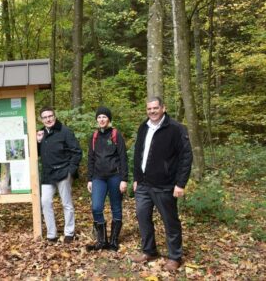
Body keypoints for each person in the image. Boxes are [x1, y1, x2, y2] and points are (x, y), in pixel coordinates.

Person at [131, 97, 192, 271]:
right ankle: (149, 251)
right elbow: (138, 153)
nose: (152, 111)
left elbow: (186, 157)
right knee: (143, 218)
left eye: (155, 108)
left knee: (170, 221)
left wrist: (180, 183)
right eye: (149, 109)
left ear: (163, 108)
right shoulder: (144, 127)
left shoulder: (175, 128)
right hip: (143, 184)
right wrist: (136, 177)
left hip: (165, 184)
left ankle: (174, 256)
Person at [36, 106, 82, 243]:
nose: (48, 119)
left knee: (66, 203)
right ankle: (52, 234)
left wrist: (71, 171)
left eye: (50, 116)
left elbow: (77, 151)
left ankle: (69, 232)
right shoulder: (41, 133)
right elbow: (36, 154)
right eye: (45, 117)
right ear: (41, 119)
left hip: (63, 172)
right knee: (45, 202)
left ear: (54, 117)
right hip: (48, 174)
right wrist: (38, 142)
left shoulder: (65, 131)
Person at [86, 106, 128, 252]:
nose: (101, 119)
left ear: (109, 119)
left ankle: (114, 241)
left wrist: (124, 179)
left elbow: (123, 157)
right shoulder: (94, 136)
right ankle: (102, 240)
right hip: (98, 177)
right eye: (99, 117)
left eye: (104, 117)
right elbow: (90, 158)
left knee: (116, 206)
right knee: (96, 207)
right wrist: (89, 179)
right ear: (96, 120)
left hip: (115, 176)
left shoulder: (116, 135)